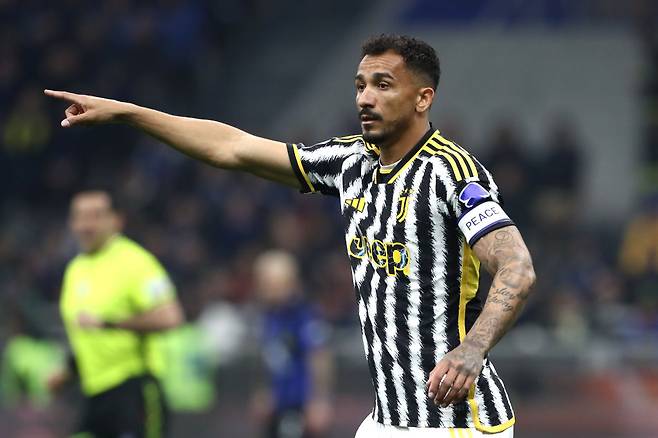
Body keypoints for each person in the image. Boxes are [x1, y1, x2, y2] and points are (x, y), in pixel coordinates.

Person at [45, 34, 536, 437]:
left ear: (422, 98)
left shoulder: (450, 172)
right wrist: (131, 113)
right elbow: (233, 148)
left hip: (455, 425)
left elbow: (517, 266)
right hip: (387, 422)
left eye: (382, 85)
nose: (365, 98)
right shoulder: (350, 161)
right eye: (360, 85)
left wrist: (472, 349)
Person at [51, 190, 184, 438]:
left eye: (95, 216)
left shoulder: (136, 262)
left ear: (116, 220)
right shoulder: (75, 270)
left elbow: (170, 317)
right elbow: (85, 334)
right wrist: (68, 373)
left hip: (133, 389)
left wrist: (110, 323)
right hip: (94, 393)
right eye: (79, 217)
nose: (86, 225)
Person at [251, 250, 333, 438]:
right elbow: (268, 357)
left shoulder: (304, 315)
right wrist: (263, 391)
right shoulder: (268, 315)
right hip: (276, 405)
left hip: (300, 405)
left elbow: (319, 357)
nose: (264, 288)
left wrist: (319, 400)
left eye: (270, 283)